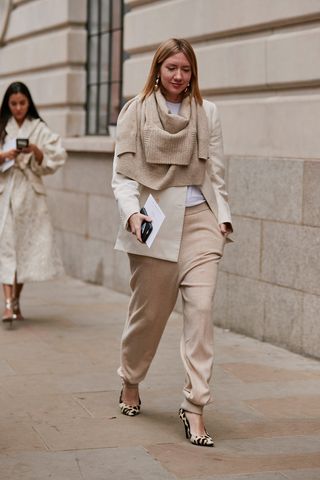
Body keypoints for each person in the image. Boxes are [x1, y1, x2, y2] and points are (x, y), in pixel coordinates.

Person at [112, 38, 233, 447]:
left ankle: (195, 406)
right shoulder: (136, 110)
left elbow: (215, 170)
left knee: (200, 313)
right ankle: (130, 379)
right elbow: (123, 175)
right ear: (158, 70)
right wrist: (132, 214)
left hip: (201, 222)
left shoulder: (207, 112)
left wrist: (224, 217)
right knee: (147, 318)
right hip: (154, 222)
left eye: (185, 69)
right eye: (171, 69)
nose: (179, 77)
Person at [0, 82, 66, 327]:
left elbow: (56, 157)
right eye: (13, 104)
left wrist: (36, 151)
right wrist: (4, 156)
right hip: (4, 193)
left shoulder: (39, 128)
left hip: (29, 197)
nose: (18, 108)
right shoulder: (1, 127)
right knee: (6, 246)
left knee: (22, 250)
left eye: (22, 103)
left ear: (29, 103)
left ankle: (15, 300)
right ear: (7, 104)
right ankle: (8, 305)